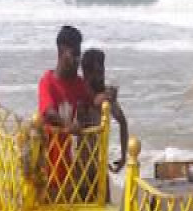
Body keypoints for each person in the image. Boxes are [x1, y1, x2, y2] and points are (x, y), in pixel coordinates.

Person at [38, 26, 94, 187]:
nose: (77, 60)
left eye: (79, 55)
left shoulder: (79, 83)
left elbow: (93, 100)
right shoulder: (47, 81)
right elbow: (48, 112)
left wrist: (105, 97)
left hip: (67, 161)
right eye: (73, 54)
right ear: (61, 52)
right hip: (46, 160)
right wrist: (68, 125)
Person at [80, 48, 128, 173]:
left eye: (102, 71)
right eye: (96, 72)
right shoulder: (78, 92)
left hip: (99, 160)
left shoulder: (105, 96)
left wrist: (123, 156)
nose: (101, 77)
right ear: (86, 73)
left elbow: (123, 122)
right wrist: (94, 103)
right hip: (77, 161)